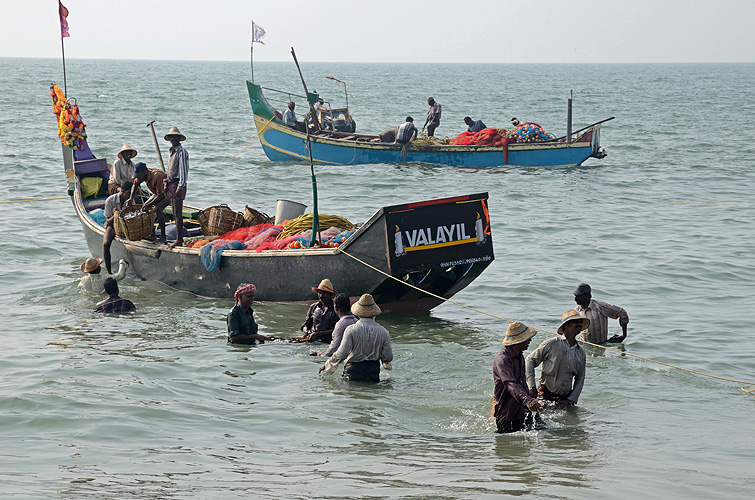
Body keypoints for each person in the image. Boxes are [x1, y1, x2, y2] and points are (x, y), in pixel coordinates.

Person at [319, 293, 393, 382]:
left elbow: (342, 353)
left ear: (358, 313)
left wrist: (328, 364)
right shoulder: (384, 332)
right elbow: (388, 357)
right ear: (374, 314)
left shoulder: (351, 330)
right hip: (373, 374)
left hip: (353, 372)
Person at [525, 310, 588, 407]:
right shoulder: (551, 343)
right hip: (545, 396)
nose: (579, 324)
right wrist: (532, 387)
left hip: (565, 399)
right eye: (576, 322)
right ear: (566, 325)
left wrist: (571, 400)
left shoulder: (581, 352)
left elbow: (580, 379)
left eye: (580, 322)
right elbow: (529, 360)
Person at [492, 321, 543, 433]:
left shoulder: (519, 356)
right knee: (506, 445)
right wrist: (527, 400)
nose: (530, 341)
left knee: (545, 432)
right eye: (527, 338)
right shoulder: (502, 360)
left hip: (522, 410)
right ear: (518, 341)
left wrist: (532, 401)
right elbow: (510, 383)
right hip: (507, 413)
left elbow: (522, 382)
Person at [128, 162, 168, 242]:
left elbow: (161, 195)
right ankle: (152, 235)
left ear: (145, 172)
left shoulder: (157, 176)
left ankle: (163, 237)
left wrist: (150, 204)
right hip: (157, 193)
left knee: (157, 209)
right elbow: (135, 185)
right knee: (144, 208)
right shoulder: (142, 176)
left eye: (140, 175)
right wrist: (131, 198)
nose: (139, 178)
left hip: (168, 193)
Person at [164, 126, 189, 249]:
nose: (173, 139)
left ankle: (179, 239)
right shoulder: (172, 151)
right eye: (171, 137)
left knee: (178, 212)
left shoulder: (181, 152)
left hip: (178, 184)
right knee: (174, 212)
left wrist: (180, 186)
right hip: (171, 183)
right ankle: (178, 238)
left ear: (179, 138)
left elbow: (183, 171)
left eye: (175, 137)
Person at [102, 180, 133, 274]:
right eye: (129, 193)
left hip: (126, 225)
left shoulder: (131, 200)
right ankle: (109, 272)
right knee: (105, 244)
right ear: (122, 192)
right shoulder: (110, 201)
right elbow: (108, 221)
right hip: (113, 225)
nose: (130, 196)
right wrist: (116, 215)